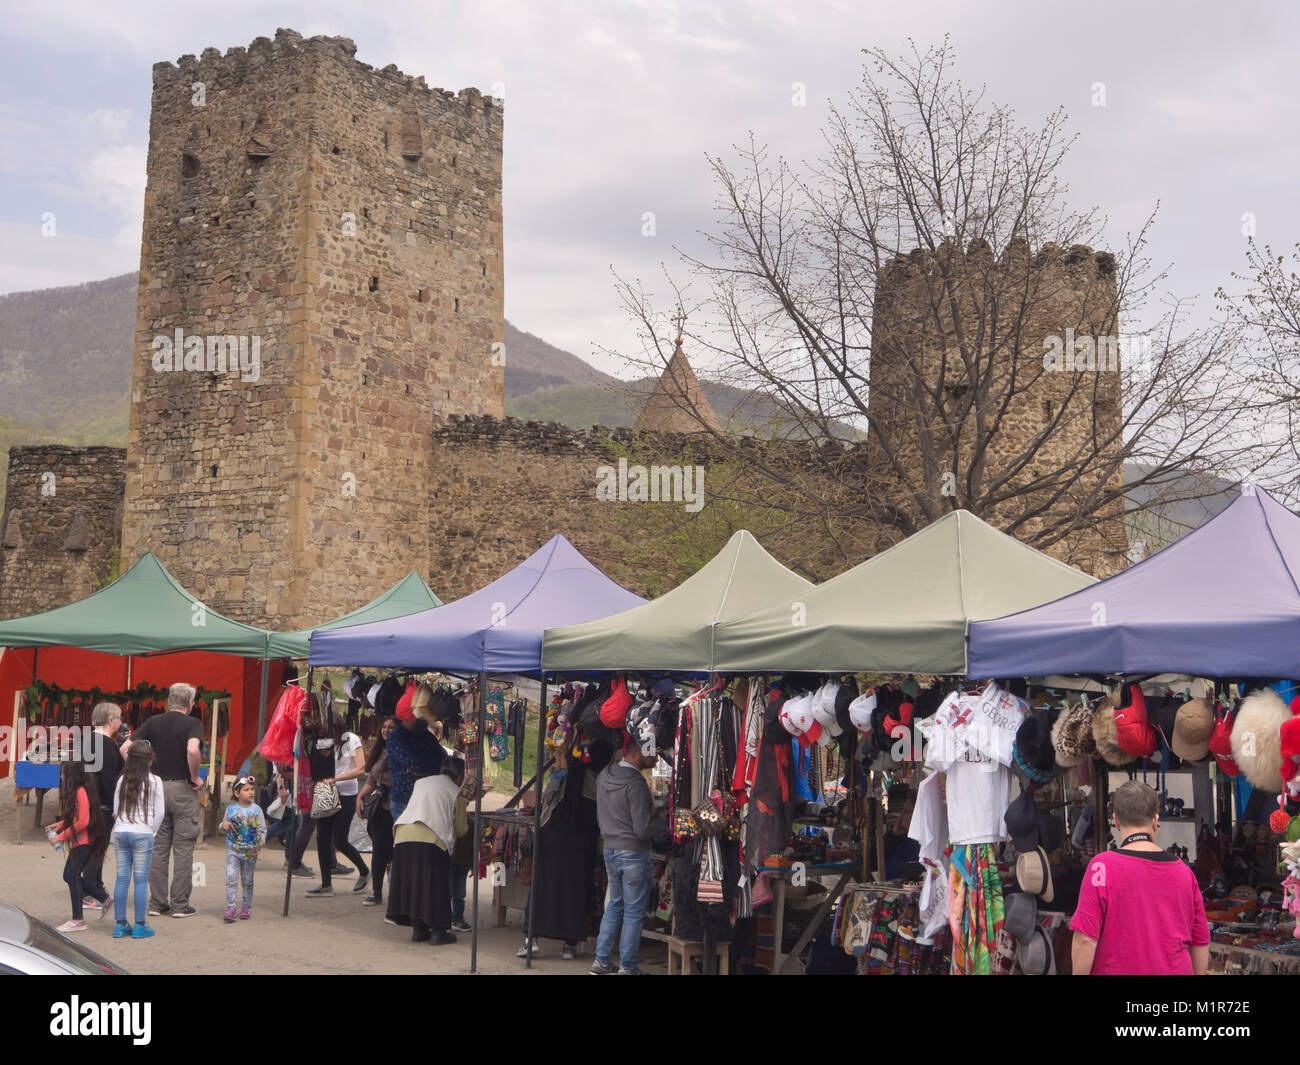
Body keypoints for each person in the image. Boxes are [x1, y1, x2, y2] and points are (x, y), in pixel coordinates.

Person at [1071, 780, 1211, 975]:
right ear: (1155, 820)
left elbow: (1085, 939)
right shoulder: (1184, 872)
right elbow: (1200, 942)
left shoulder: (1101, 868)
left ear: (1116, 821)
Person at [123, 682, 204, 918]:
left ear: (169, 701)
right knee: (183, 847)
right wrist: (195, 776)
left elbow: (126, 748)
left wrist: (140, 774)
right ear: (189, 704)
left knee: (158, 848)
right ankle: (179, 904)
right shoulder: (193, 724)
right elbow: (192, 749)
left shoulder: (152, 722)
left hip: (154, 789)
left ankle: (157, 902)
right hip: (182, 789)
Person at [589, 740, 659, 975]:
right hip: (634, 852)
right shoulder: (635, 784)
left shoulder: (605, 775)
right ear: (638, 753)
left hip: (611, 848)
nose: (657, 758)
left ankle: (601, 962)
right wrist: (665, 823)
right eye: (653, 753)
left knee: (615, 906)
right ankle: (628, 967)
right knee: (633, 911)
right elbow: (641, 829)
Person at [387, 756, 468, 945]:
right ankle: (439, 931)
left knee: (415, 884)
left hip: (403, 835)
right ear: (460, 776)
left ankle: (419, 929)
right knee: (436, 886)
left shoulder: (421, 783)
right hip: (431, 839)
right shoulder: (455, 791)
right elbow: (461, 829)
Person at [305, 714, 369, 898]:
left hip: (346, 794)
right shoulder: (321, 741)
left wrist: (335, 779)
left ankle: (364, 870)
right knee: (322, 838)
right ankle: (326, 885)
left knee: (340, 839)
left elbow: (361, 768)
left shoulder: (350, 739)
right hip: (325, 791)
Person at [47, 757, 110, 933]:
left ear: (72, 775)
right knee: (70, 875)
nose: (61, 776)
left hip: (84, 842)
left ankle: (78, 919)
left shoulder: (80, 792)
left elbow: (83, 821)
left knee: (71, 875)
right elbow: (76, 817)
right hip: (80, 841)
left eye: (63, 773)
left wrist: (60, 837)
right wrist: (59, 825)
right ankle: (103, 898)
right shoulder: (77, 792)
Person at [111, 740, 165, 939]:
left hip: (121, 831)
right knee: (141, 881)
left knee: (122, 879)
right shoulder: (155, 781)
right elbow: (160, 812)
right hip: (143, 832)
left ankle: (120, 924)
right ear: (149, 760)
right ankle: (140, 925)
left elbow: (116, 809)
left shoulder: (122, 779)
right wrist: (152, 832)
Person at [83, 702, 125, 905]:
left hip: (88, 802)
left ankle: (96, 886)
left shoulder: (87, 740)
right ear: (111, 720)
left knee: (96, 846)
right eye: (119, 718)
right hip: (102, 804)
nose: (121, 722)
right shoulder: (106, 745)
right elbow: (110, 779)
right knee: (97, 847)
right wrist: (117, 804)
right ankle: (89, 890)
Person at [357, 716, 396, 906]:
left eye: (391, 727)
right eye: (384, 726)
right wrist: (360, 796)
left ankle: (378, 892)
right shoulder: (379, 750)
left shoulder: (399, 752)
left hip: (395, 808)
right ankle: (378, 891)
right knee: (380, 848)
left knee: (383, 850)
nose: (386, 730)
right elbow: (372, 780)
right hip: (378, 807)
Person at [385, 697, 445, 820]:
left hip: (428, 799)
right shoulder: (396, 737)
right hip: (404, 801)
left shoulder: (427, 736)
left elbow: (443, 762)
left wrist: (417, 771)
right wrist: (427, 767)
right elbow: (416, 765)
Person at [220, 774, 267, 921]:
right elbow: (222, 825)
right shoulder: (231, 809)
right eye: (246, 789)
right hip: (232, 850)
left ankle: (246, 907)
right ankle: (231, 908)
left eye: (252, 789)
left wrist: (259, 843)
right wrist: (224, 826)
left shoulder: (257, 810)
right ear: (236, 792)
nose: (251, 792)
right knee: (231, 879)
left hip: (249, 851)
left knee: (247, 880)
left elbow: (262, 829)